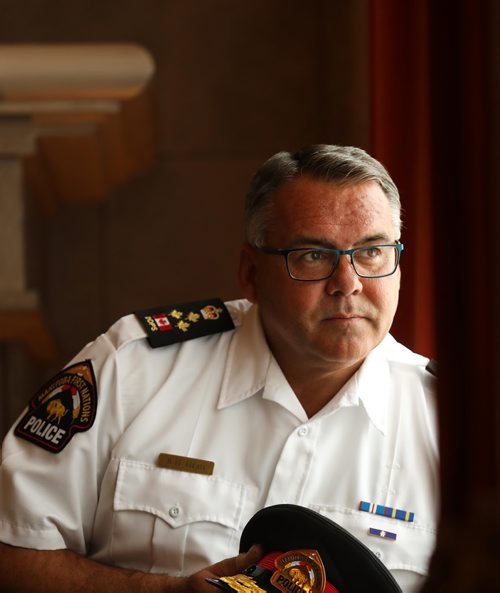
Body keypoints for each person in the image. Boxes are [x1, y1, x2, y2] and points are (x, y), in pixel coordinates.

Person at [0, 144, 438, 593]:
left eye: (371, 253)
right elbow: (9, 553)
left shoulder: (450, 425)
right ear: (251, 273)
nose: (348, 284)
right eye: (313, 255)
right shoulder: (133, 367)